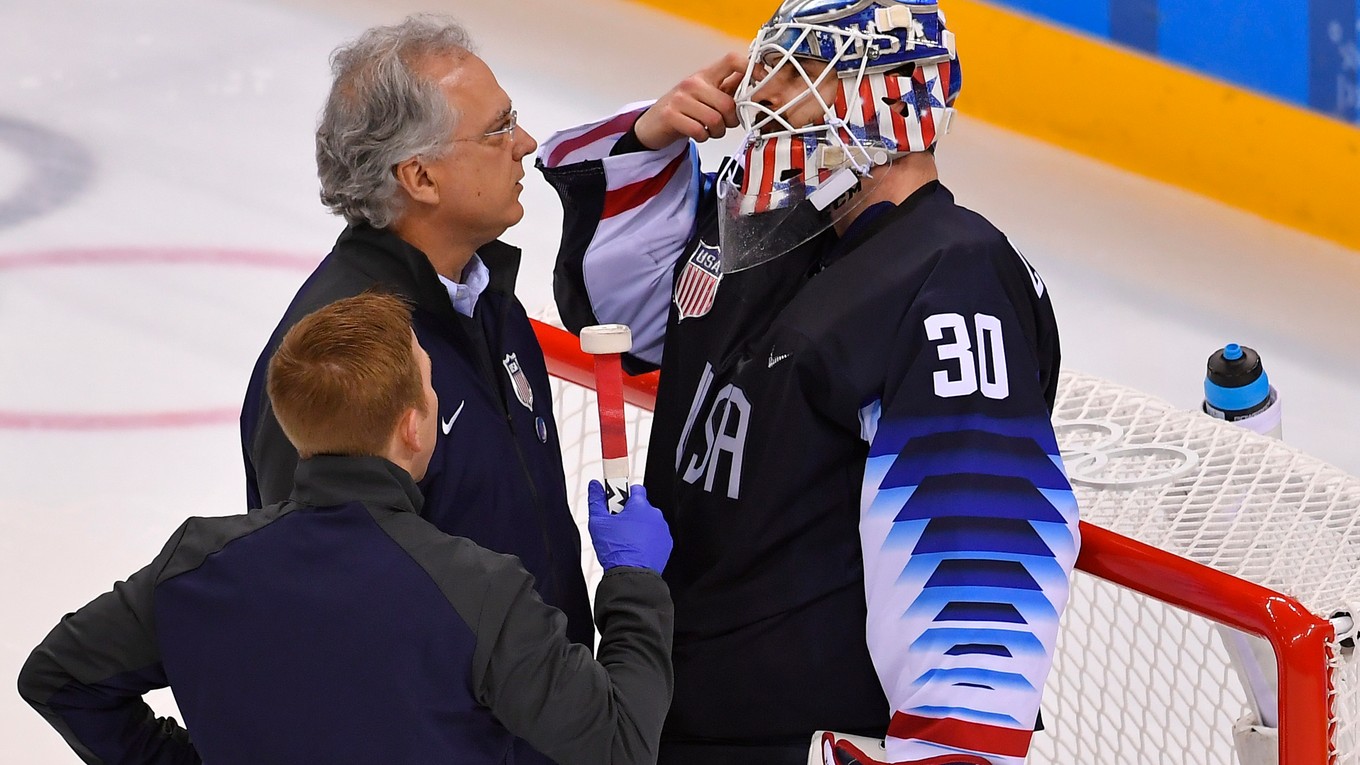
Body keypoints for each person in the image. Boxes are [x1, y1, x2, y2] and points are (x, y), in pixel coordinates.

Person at [536, 1, 1080, 763]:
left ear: (885, 101)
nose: (763, 94)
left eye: (801, 74)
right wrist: (649, 146)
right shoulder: (771, 223)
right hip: (674, 703)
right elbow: (622, 310)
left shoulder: (951, 277)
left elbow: (972, 546)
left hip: (802, 736)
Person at [19, 292, 675, 765]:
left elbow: (58, 676)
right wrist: (634, 582)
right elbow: (618, 745)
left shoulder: (195, 565)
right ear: (412, 427)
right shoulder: (480, 593)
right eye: (428, 381)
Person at [238, 20, 597, 760]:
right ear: (420, 178)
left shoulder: (487, 299)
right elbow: (318, 627)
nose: (526, 143)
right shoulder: (341, 362)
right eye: (498, 129)